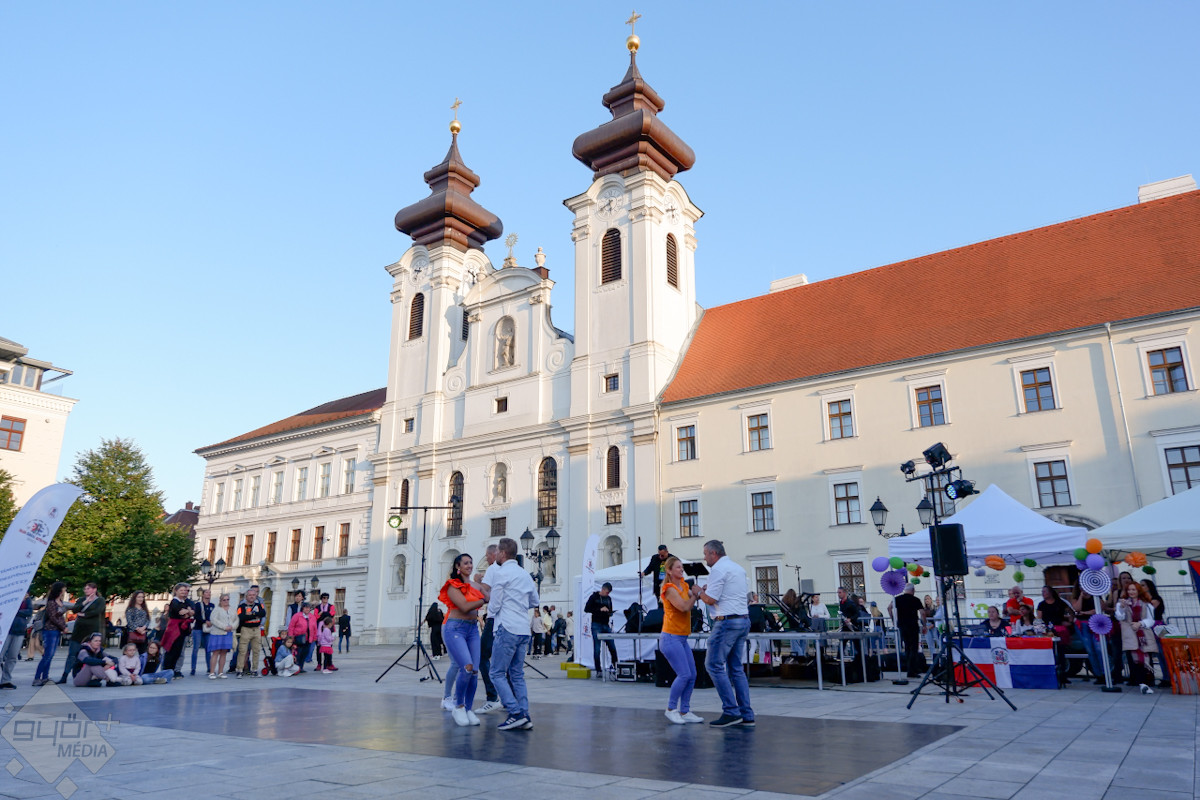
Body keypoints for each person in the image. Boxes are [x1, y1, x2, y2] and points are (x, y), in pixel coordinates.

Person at [484, 536, 539, 731]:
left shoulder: (501, 573)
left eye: (498, 551)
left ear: (503, 553)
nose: (496, 554)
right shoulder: (524, 574)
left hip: (507, 626)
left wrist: (490, 614)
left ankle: (515, 713)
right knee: (517, 674)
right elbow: (535, 601)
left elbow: (495, 604)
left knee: (496, 672)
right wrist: (519, 604)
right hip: (523, 628)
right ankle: (524, 714)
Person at [699, 539, 754, 727]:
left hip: (726, 621)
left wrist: (698, 592)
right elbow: (728, 593)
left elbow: (710, 599)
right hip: (742, 619)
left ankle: (731, 711)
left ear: (713, 553)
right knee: (736, 667)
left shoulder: (718, 569)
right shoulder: (738, 568)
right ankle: (746, 714)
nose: (704, 558)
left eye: (705, 554)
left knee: (713, 664)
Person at [440, 553, 488, 726]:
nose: (469, 565)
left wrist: (483, 583)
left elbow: (490, 596)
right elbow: (465, 606)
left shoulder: (475, 585)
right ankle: (458, 706)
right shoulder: (453, 586)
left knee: (474, 671)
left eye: (471, 562)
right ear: (458, 567)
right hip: (455, 628)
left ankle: (468, 709)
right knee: (466, 667)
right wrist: (482, 599)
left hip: (472, 629)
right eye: (466, 563)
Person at [659, 556, 704, 724]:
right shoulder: (669, 589)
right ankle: (671, 709)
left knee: (692, 675)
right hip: (670, 637)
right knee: (684, 674)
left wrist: (700, 592)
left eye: (681, 567)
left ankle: (685, 710)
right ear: (669, 571)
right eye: (678, 567)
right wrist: (696, 595)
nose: (681, 569)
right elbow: (684, 607)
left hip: (682, 638)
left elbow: (693, 597)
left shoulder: (684, 585)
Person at [474, 543, 504, 714]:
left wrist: (477, 582)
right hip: (508, 620)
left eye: (487, 555)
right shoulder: (512, 571)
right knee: (508, 662)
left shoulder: (492, 569)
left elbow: (484, 594)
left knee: (482, 656)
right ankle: (510, 699)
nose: (486, 558)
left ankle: (492, 697)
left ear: (494, 554)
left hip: (494, 619)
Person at [60, 582, 105, 684]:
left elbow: (97, 611)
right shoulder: (81, 600)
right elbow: (75, 609)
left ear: (94, 589)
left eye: (88, 589)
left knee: (91, 654)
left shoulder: (100, 600)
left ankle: (90, 676)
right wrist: (85, 602)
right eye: (85, 589)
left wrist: (84, 614)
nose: (86, 590)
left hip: (91, 631)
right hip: (79, 631)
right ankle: (65, 675)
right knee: (72, 654)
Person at [1114, 581, 1156, 687]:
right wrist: (1122, 607)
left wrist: (1140, 623)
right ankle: (1136, 679)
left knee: (1146, 655)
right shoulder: (1122, 603)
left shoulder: (1146, 604)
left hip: (1143, 633)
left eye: (1133, 590)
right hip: (1130, 634)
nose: (1131, 592)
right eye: (1129, 590)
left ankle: (1148, 679)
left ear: (1138, 591)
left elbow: (1151, 620)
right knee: (1132, 656)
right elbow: (1120, 617)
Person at [34, 582, 68, 687]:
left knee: (50, 655)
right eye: (63, 589)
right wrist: (63, 627)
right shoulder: (51, 602)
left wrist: (63, 626)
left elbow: (60, 617)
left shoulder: (59, 601)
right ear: (59, 590)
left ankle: (45, 677)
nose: (64, 591)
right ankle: (37, 678)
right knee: (47, 655)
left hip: (56, 630)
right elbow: (53, 617)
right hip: (50, 630)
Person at [161, 582, 196, 677]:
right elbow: (181, 612)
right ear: (176, 591)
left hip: (182, 629)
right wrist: (188, 611)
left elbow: (191, 613)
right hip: (174, 628)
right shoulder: (174, 602)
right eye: (181, 590)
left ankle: (172, 671)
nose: (183, 592)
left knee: (178, 651)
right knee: (171, 650)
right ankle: (166, 670)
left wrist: (188, 611)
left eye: (185, 590)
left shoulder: (185, 602)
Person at [890, 584, 924, 678]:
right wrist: (924, 624)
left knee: (907, 647)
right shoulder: (915, 600)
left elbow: (889, 608)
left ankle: (910, 668)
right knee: (914, 648)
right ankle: (912, 669)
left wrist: (893, 620)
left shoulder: (897, 599)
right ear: (913, 590)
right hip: (913, 625)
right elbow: (922, 613)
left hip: (902, 625)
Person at [584, 582, 618, 676]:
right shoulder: (594, 597)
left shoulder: (609, 599)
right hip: (596, 624)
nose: (607, 594)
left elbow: (610, 609)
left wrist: (609, 612)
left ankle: (616, 666)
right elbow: (587, 609)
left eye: (608, 593)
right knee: (597, 648)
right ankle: (598, 670)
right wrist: (599, 609)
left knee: (612, 647)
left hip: (605, 624)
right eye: (606, 592)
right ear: (602, 589)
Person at [1, 592, 32, 689]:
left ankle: (6, 680)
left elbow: (29, 612)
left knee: (13, 656)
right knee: (1, 654)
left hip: (19, 630)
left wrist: (16, 611)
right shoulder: (10, 595)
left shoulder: (27, 599)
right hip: (6, 630)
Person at [234, 585, 266, 677]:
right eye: (250, 595)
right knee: (242, 650)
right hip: (246, 629)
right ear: (246, 596)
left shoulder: (259, 605)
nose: (252, 597)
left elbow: (263, 613)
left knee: (256, 650)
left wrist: (251, 614)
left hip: (256, 629)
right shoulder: (242, 606)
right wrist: (255, 615)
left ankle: (254, 669)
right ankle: (239, 669)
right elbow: (241, 617)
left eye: (253, 595)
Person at [207, 592, 236, 678]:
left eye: (227, 600)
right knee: (215, 652)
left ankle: (221, 672)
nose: (226, 601)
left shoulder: (231, 610)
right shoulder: (217, 609)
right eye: (224, 600)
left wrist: (232, 626)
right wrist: (224, 627)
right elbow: (213, 620)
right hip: (217, 633)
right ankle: (212, 672)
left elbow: (235, 619)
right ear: (220, 601)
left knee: (224, 653)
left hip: (228, 633)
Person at [191, 588, 214, 676]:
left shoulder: (212, 605)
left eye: (209, 593)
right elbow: (196, 616)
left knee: (208, 649)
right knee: (195, 649)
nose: (208, 594)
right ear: (203, 594)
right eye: (207, 592)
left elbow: (214, 616)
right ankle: (193, 668)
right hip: (198, 628)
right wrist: (205, 621)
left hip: (208, 629)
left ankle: (209, 668)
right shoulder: (198, 605)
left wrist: (211, 622)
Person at [288, 602, 316, 672]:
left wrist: (314, 637)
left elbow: (314, 628)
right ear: (302, 608)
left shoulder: (312, 617)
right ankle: (296, 667)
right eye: (305, 607)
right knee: (298, 653)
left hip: (308, 638)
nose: (307, 609)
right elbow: (291, 626)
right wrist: (291, 636)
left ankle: (301, 666)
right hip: (299, 638)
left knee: (305, 653)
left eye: (308, 608)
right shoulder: (297, 616)